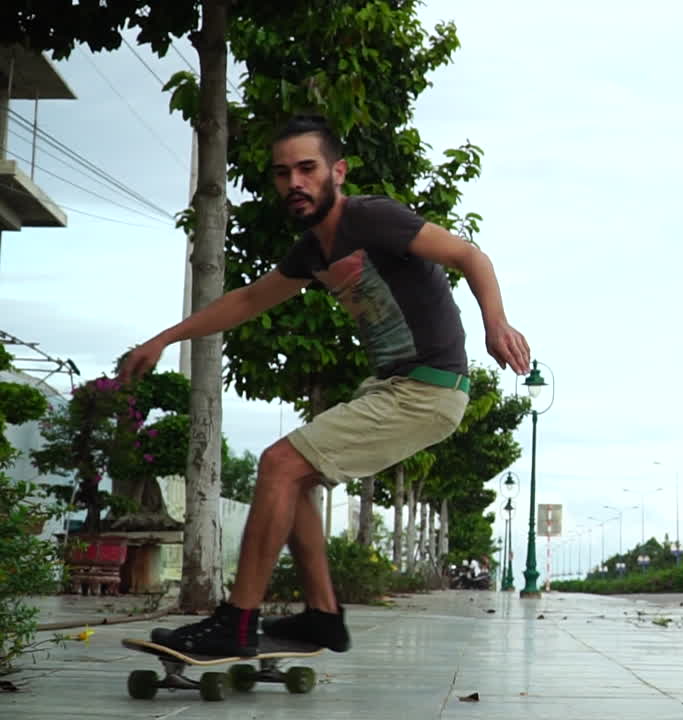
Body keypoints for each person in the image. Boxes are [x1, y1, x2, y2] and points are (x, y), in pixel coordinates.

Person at [119, 115, 531, 657]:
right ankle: (322, 617)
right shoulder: (313, 251)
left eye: (307, 169)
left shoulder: (373, 218)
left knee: (278, 463)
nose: (295, 183)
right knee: (296, 477)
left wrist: (494, 322)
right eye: (283, 173)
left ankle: (237, 623)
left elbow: (468, 255)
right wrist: (164, 338)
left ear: (336, 171)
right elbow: (246, 301)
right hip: (392, 387)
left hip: (427, 390)